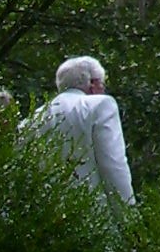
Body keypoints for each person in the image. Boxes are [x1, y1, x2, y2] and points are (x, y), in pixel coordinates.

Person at [24, 56, 134, 204]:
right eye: (102, 84)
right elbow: (113, 165)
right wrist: (129, 217)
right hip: (91, 212)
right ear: (93, 83)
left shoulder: (31, 120)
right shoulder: (100, 105)